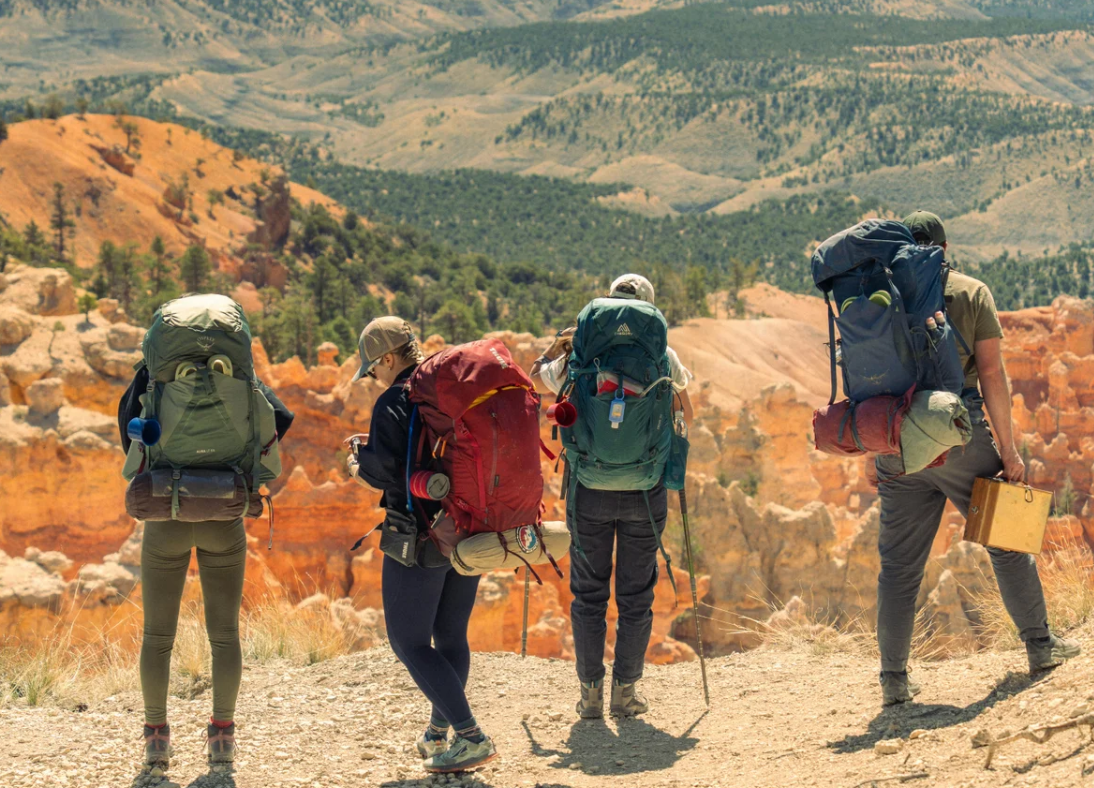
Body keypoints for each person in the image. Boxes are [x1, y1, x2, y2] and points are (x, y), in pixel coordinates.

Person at [874, 211, 1080, 706]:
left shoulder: (879, 295)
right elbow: (992, 376)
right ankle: (1039, 645)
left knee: (899, 569)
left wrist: (882, 446)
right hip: (959, 435)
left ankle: (894, 680)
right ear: (944, 248)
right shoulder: (969, 292)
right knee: (1006, 541)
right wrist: (1009, 451)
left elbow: (872, 377)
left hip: (899, 443)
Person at [117, 325, 295, 771]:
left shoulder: (151, 381)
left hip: (166, 518)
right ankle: (222, 741)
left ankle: (156, 741)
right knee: (224, 635)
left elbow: (128, 449)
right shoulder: (241, 380)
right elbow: (280, 422)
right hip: (223, 516)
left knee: (158, 636)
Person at [537, 274, 693, 719]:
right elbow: (684, 412)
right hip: (646, 489)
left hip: (589, 488)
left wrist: (560, 345)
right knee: (636, 595)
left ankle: (589, 696)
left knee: (588, 595)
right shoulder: (665, 355)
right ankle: (626, 694)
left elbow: (536, 379)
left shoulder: (580, 354)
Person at [346, 316, 497, 773]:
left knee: (408, 642)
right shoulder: (446, 387)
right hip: (469, 529)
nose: (373, 376)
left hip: (420, 537)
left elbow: (389, 472)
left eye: (373, 367)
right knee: (450, 635)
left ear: (388, 359)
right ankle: (437, 734)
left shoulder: (395, 399)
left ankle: (471, 737)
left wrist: (357, 463)